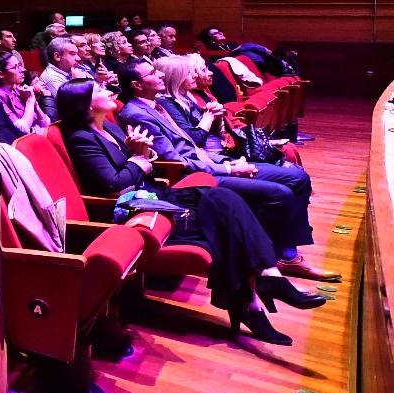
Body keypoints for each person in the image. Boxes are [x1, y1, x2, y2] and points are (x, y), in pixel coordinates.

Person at [56, 79, 324, 346]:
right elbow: (114, 186)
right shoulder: (81, 139)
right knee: (224, 225)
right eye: (99, 90)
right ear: (87, 106)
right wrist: (138, 159)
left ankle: (265, 283)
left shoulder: (111, 128)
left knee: (224, 199)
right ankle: (253, 300)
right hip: (138, 211)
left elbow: (140, 165)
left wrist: (143, 154)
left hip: (156, 196)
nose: (108, 90)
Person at [115, 58, 327, 281]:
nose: (159, 75)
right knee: (281, 192)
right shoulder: (136, 113)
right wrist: (227, 168)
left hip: (210, 162)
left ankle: (285, 253)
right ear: (137, 85)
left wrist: (226, 160)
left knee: (298, 177)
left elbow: (192, 145)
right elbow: (175, 159)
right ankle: (269, 259)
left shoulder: (156, 105)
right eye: (151, 73)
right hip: (194, 176)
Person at [0, 50, 49, 134]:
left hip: (39, 134)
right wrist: (30, 102)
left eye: (20, 65)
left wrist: (35, 104)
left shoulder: (17, 88)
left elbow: (46, 124)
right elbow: (22, 130)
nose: (22, 69)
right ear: (1, 74)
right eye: (15, 67)